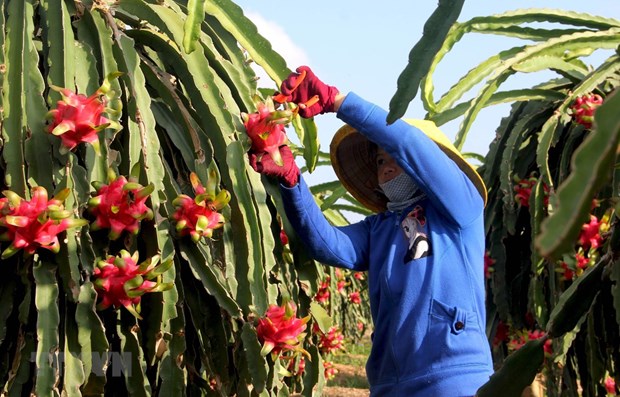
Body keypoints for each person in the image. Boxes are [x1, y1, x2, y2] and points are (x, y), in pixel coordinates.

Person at [248, 66, 493, 396]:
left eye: (394, 158)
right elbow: (328, 244)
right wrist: (292, 181)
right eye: (379, 161)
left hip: (454, 375)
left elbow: (408, 143)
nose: (387, 165)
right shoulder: (379, 229)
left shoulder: (461, 208)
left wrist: (338, 101)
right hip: (389, 384)